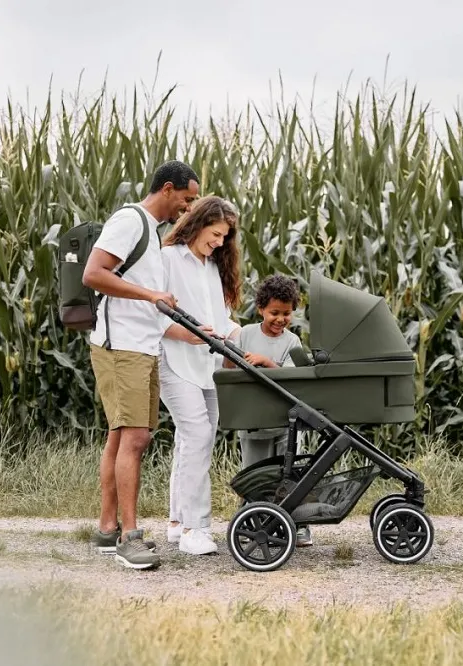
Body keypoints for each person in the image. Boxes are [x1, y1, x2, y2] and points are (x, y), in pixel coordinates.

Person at [83, 160, 200, 569]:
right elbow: (93, 274)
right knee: (133, 439)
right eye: (187, 199)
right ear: (167, 189)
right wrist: (151, 295)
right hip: (122, 347)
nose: (188, 208)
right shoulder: (130, 220)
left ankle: (106, 529)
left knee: (123, 438)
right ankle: (130, 539)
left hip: (143, 346)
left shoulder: (151, 232)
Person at [158, 196, 242, 556]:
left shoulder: (212, 267)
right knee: (198, 435)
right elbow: (150, 310)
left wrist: (247, 339)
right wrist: (184, 334)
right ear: (199, 224)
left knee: (191, 440)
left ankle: (177, 522)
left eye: (225, 237)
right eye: (216, 234)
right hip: (175, 360)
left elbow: (222, 323)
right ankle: (197, 528)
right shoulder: (167, 260)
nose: (220, 243)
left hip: (208, 366)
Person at [226, 274, 313, 547]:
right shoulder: (246, 334)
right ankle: (252, 520)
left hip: (284, 421)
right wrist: (231, 358)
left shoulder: (292, 342)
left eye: (287, 314)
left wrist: (265, 361)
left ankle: (297, 524)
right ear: (261, 308)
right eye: (274, 312)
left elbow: (291, 378)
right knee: (254, 474)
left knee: (288, 474)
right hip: (253, 420)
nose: (280, 319)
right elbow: (229, 369)